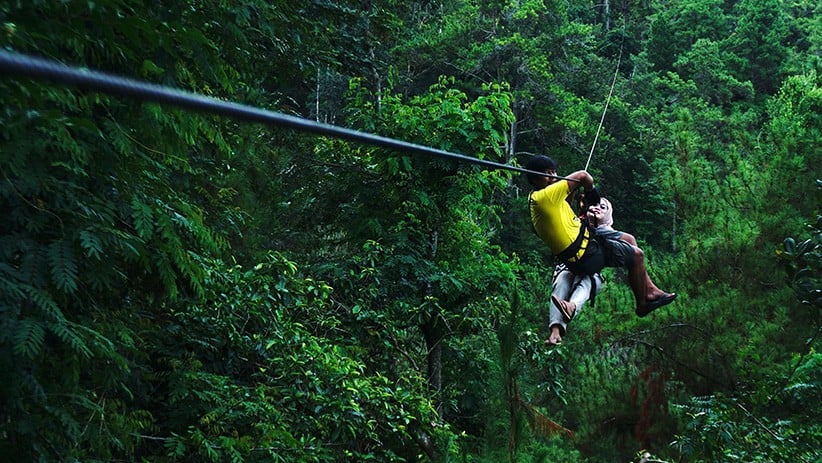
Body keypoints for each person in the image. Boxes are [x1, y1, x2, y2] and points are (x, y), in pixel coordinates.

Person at [526, 155, 676, 327]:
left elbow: (566, 203)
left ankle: (650, 290)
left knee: (629, 239)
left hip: (586, 245)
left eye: (554, 172)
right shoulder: (545, 197)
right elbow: (583, 176)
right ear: (535, 179)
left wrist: (574, 191)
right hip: (587, 254)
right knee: (637, 255)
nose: (554, 177)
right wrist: (591, 191)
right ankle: (643, 303)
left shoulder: (537, 199)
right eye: (548, 174)